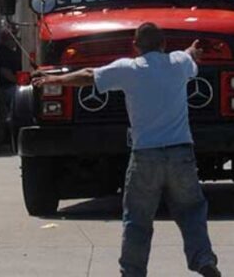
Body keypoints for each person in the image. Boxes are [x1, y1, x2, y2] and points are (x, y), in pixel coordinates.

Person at [32, 23, 220, 277]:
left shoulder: (128, 69)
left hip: (145, 154)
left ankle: (132, 272)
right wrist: (192, 51)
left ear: (135, 46)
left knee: (138, 219)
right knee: (192, 210)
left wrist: (54, 79)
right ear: (164, 44)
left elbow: (89, 75)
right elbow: (187, 56)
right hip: (181, 153)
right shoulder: (178, 64)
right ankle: (204, 260)